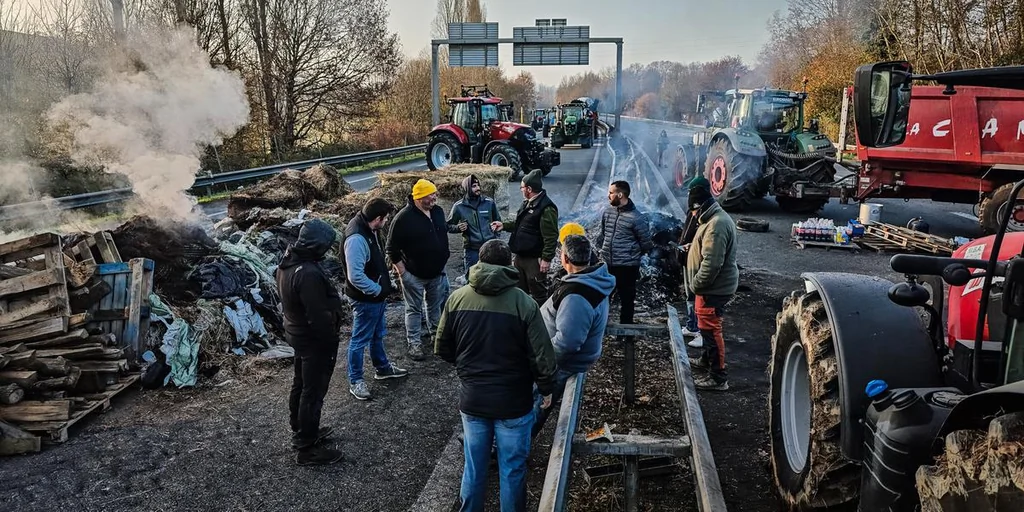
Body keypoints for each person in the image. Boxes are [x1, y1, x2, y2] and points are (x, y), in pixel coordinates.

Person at [434, 239, 557, 512]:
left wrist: (466, 368)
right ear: (510, 263)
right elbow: (541, 356)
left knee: (474, 467)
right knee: (512, 469)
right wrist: (546, 388)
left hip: (473, 400)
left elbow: (442, 347)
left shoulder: (457, 298)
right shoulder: (524, 304)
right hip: (514, 403)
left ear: (479, 262)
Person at [276, 219, 345, 465]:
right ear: (317, 245)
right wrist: (331, 338)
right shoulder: (308, 274)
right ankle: (306, 447)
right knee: (313, 392)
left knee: (301, 383)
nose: (327, 250)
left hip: (297, 334)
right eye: (326, 245)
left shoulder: (287, 264)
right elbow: (318, 316)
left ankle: (301, 428)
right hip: (314, 341)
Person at [533, 233, 615, 438]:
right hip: (561, 358)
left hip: (560, 364)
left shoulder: (577, 296)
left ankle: (507, 446)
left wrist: (541, 363)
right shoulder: (592, 279)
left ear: (565, 258)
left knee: (536, 403)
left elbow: (567, 343)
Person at [342, 198, 408, 401]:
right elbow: (355, 276)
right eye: (385, 218)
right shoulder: (357, 238)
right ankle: (356, 380)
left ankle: (382, 367)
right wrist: (378, 289)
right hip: (366, 299)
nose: (386, 222)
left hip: (375, 298)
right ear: (377, 218)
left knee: (377, 334)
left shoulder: (369, 229)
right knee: (359, 339)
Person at [386, 179, 451, 361]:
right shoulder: (403, 218)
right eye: (431, 195)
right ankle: (414, 343)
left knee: (435, 307)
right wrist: (403, 273)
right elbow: (391, 249)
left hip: (436, 272)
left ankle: (436, 338)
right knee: (414, 309)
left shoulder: (437, 211)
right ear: (419, 197)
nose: (434, 198)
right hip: (413, 274)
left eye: (435, 194)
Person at [684, 176, 739, 391]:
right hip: (708, 288)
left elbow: (712, 264)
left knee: (711, 331)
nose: (692, 215)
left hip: (712, 288)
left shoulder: (716, 225)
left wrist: (696, 285)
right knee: (706, 329)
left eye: (693, 210)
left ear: (700, 206)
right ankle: (706, 360)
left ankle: (718, 377)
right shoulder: (711, 219)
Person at [491, 169, 559, 304]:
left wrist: (546, 259)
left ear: (529, 189)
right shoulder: (526, 203)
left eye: (522, 187)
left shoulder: (546, 208)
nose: (521, 190)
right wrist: (504, 225)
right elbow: (520, 224)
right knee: (519, 291)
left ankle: (540, 315)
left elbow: (551, 236)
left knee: (538, 293)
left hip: (534, 259)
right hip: (520, 256)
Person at [595, 181, 654, 326]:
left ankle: (626, 330)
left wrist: (632, 255)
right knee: (603, 298)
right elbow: (604, 234)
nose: (608, 195)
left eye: (611, 193)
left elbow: (646, 243)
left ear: (620, 195)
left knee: (627, 300)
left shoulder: (637, 218)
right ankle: (601, 328)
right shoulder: (607, 212)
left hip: (627, 267)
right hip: (608, 264)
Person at [447, 174, 500, 282]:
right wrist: (458, 228)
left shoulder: (489, 203)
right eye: (474, 186)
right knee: (471, 279)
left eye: (478, 185)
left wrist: (496, 232)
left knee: (493, 277)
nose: (478, 188)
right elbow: (448, 226)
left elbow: (498, 221)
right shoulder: (459, 206)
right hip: (472, 250)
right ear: (467, 188)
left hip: (490, 247)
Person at [677, 204, 702, 347]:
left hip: (698, 263)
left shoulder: (709, 220)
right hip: (688, 260)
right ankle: (692, 326)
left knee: (699, 297)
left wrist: (692, 247)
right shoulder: (692, 213)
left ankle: (701, 332)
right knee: (690, 295)